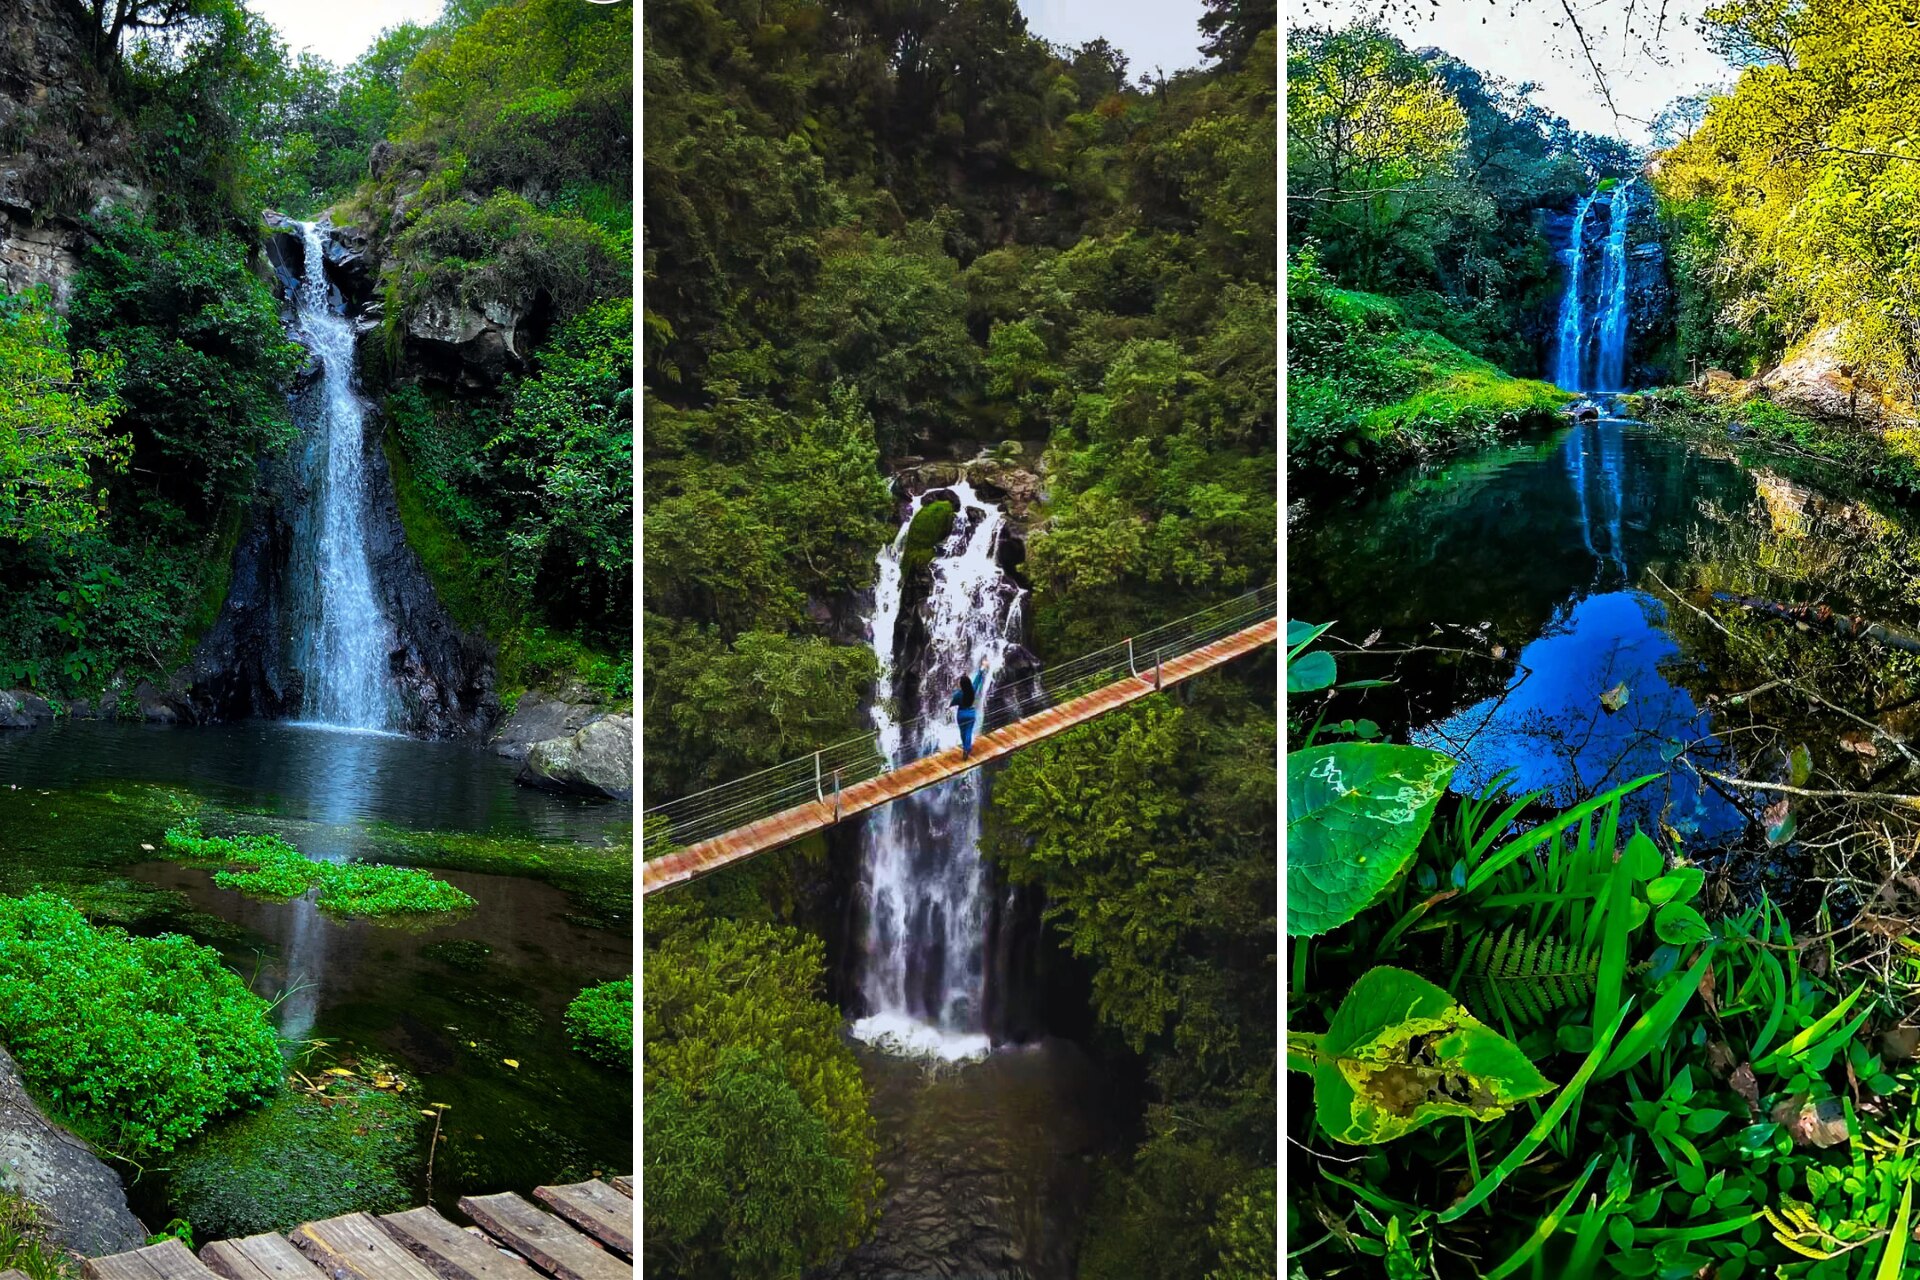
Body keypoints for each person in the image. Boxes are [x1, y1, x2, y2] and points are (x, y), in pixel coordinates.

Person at [952, 658, 988, 759]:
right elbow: (978, 678)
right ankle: (966, 749)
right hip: (971, 714)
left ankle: (965, 747)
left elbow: (952, 703)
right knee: (968, 731)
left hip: (961, 715)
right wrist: (983, 666)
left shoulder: (958, 694)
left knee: (963, 732)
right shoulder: (972, 689)